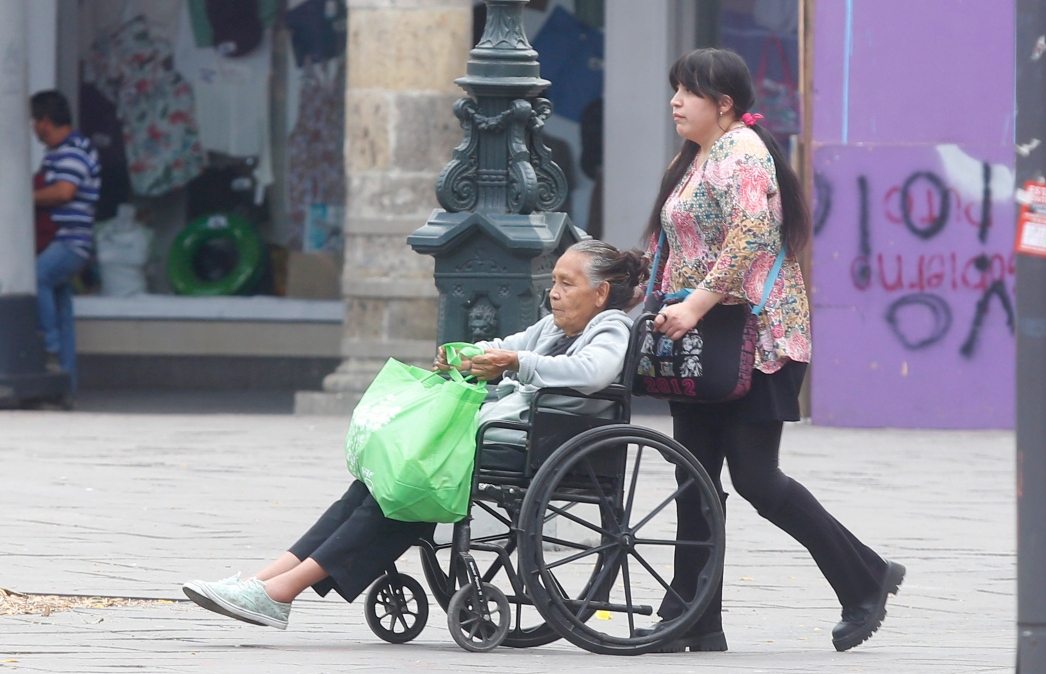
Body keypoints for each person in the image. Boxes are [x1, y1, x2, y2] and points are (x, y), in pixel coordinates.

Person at [182, 241, 649, 630]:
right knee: (373, 485)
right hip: (503, 432)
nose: (554, 293)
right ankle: (267, 581)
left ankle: (281, 591)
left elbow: (593, 373)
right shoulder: (552, 328)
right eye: (554, 282)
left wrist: (514, 365)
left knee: (411, 488)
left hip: (539, 442)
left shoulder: (611, 327)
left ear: (602, 292)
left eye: (567, 284)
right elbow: (509, 346)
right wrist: (469, 356)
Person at [643, 49, 904, 653]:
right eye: (675, 89)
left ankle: (866, 578)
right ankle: (694, 619)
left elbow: (752, 238)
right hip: (707, 343)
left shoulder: (743, 154)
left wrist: (696, 304)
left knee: (757, 479)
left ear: (724, 104)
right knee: (693, 478)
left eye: (688, 91)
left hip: (759, 341)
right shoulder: (696, 157)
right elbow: (674, 245)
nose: (676, 101)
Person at [31, 90, 102, 397]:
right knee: (62, 311)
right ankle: (65, 386)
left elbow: (63, 192)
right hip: (69, 241)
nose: (33, 128)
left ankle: (50, 353)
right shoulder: (61, 151)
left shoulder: (72, 151)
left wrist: (24, 199)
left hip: (68, 241)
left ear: (45, 121)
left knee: (37, 279)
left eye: (34, 121)